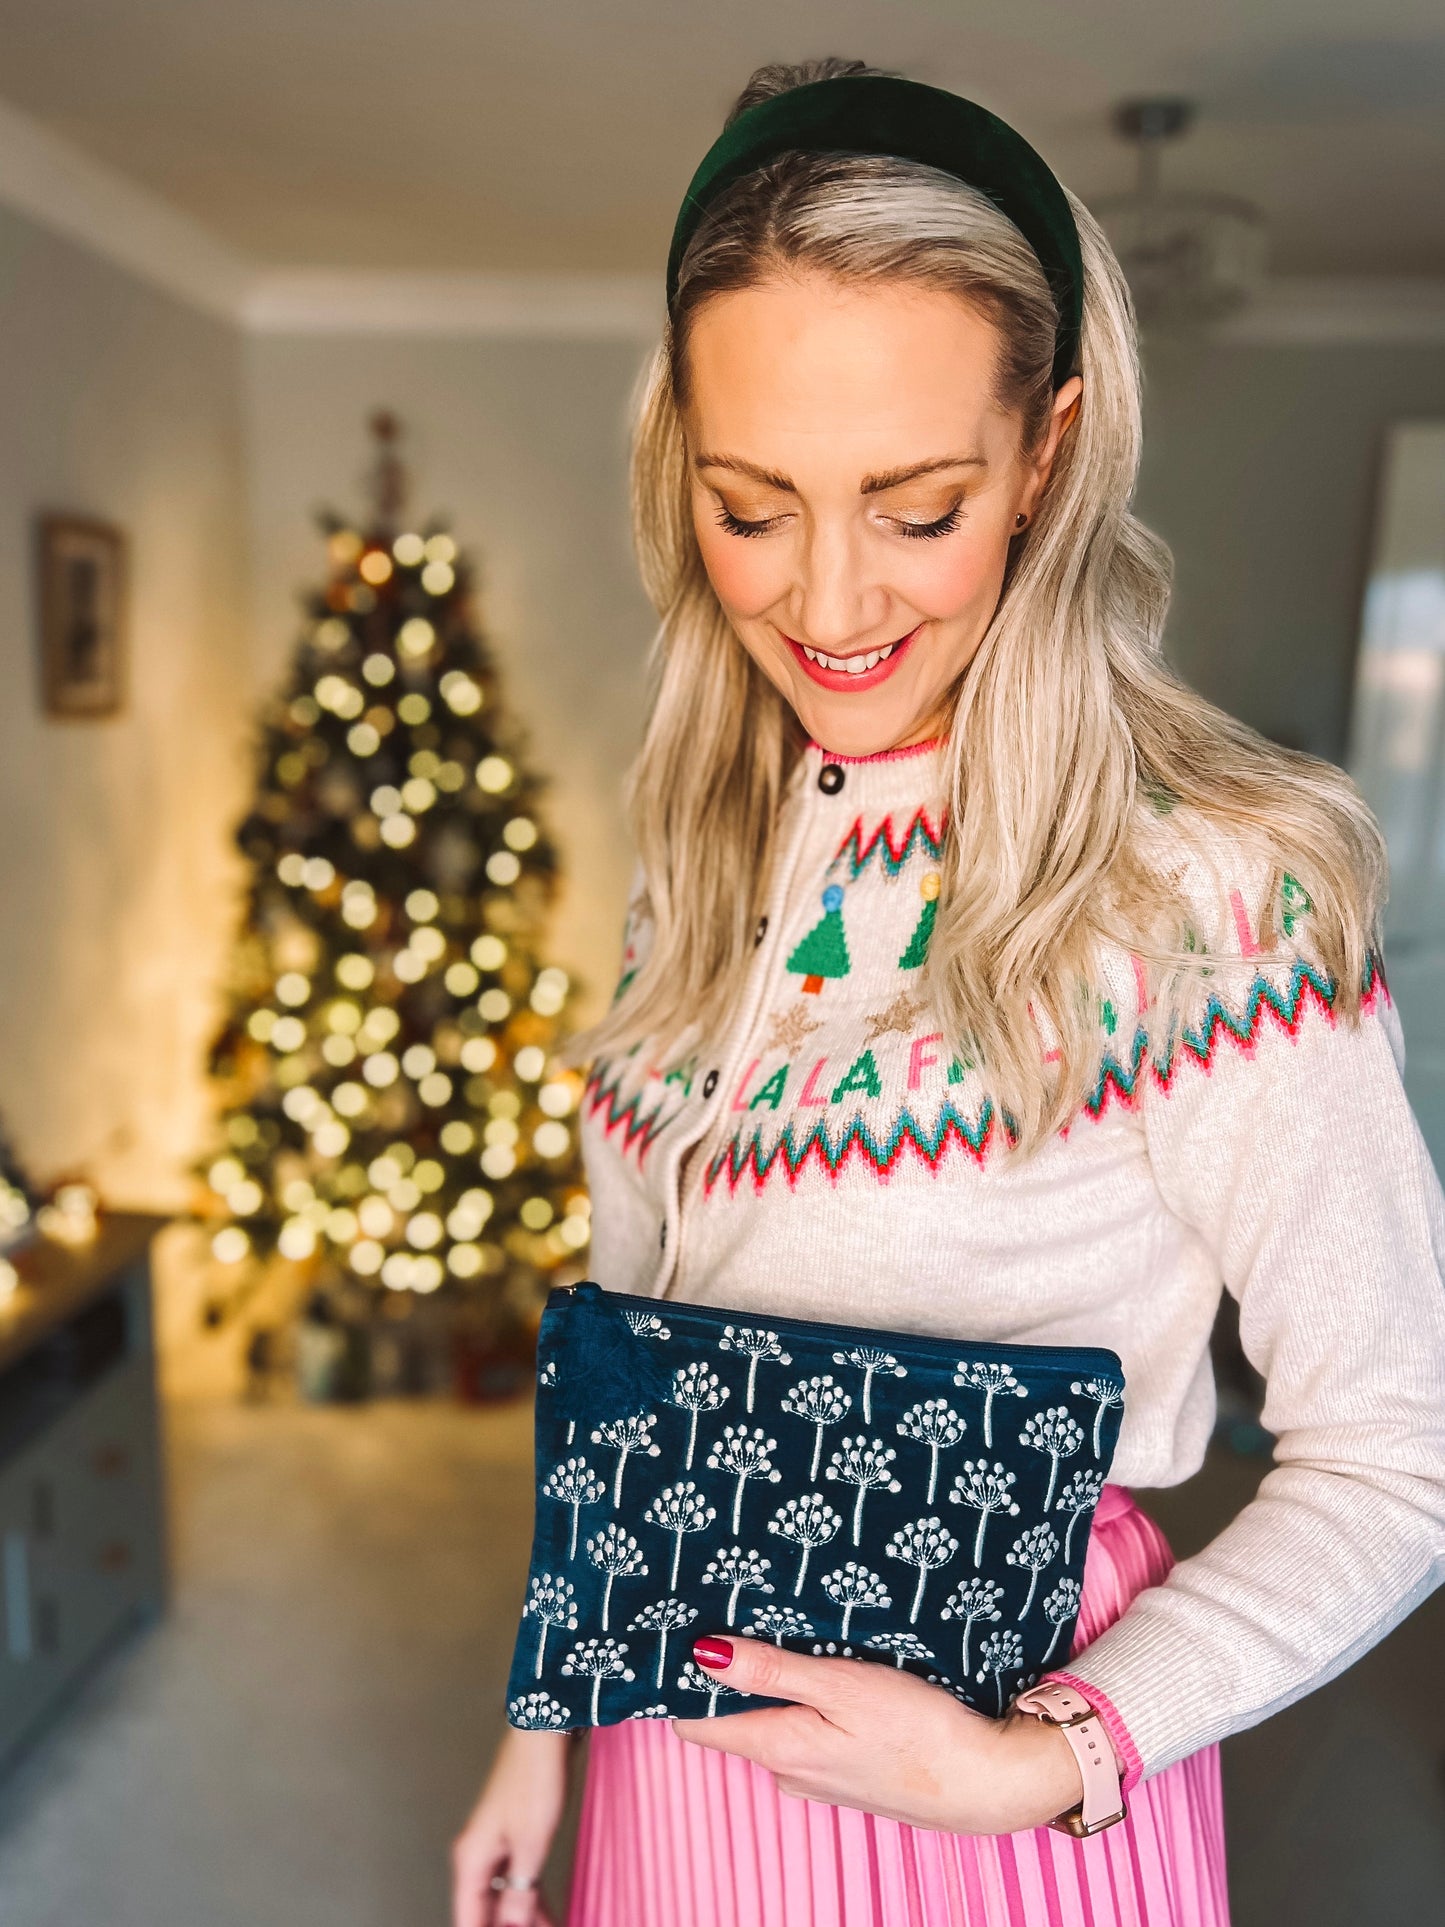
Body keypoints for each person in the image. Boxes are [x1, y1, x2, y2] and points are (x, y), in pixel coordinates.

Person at [452, 58, 1445, 1927]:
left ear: (1047, 454)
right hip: (672, 1729)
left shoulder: (1211, 893)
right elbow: (632, 1367)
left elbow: (1401, 1454)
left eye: (915, 507)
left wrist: (1038, 1759)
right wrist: (545, 1720)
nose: (828, 602)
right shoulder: (705, 855)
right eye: (753, 505)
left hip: (997, 1775)